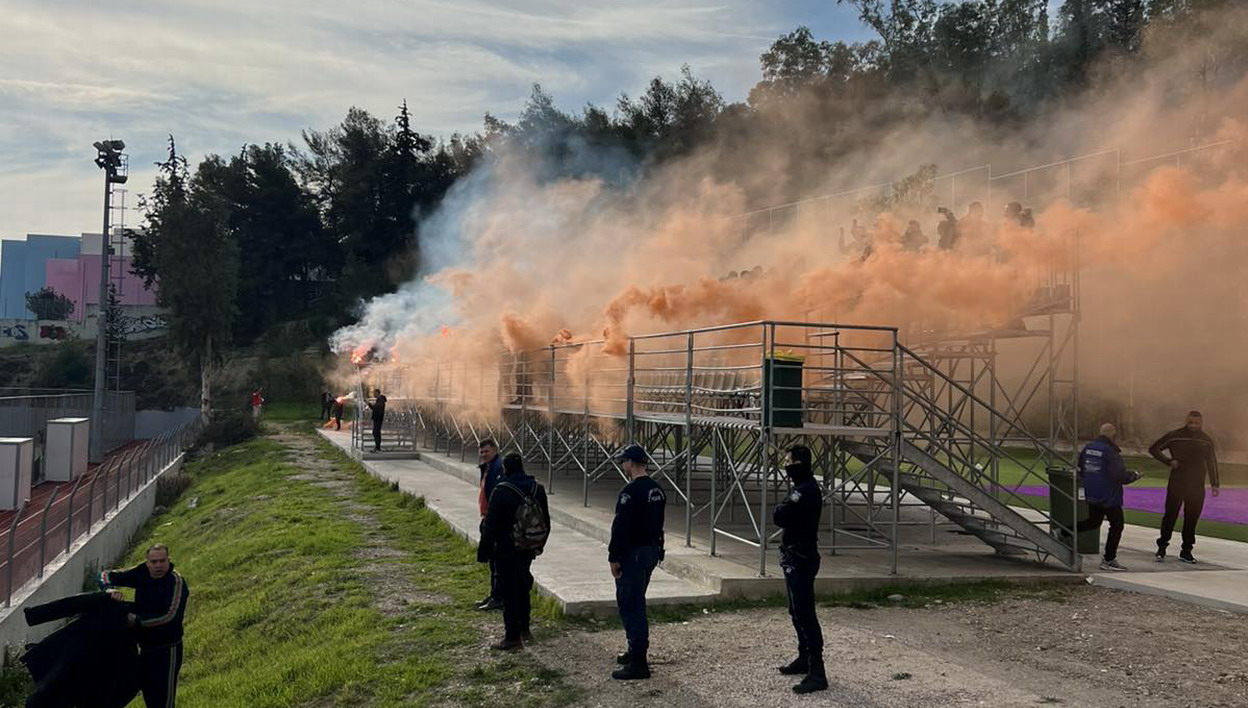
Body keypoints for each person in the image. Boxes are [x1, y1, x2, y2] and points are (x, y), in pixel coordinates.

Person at [99, 544, 189, 708]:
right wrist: (108, 590)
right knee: (145, 694)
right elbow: (105, 575)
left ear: (169, 560)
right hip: (143, 648)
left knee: (162, 701)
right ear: (147, 563)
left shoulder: (175, 582)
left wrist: (138, 621)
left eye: (162, 561)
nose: (158, 565)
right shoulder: (142, 573)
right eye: (154, 562)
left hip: (167, 650)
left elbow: (170, 616)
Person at [477, 453, 550, 651]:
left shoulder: (502, 490)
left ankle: (512, 637)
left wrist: (483, 552)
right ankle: (525, 628)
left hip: (506, 548)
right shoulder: (538, 488)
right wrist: (538, 544)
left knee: (509, 591)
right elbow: (546, 520)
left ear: (505, 469)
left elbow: (490, 524)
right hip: (527, 547)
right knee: (523, 585)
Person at [773, 445, 828, 694]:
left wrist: (783, 509)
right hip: (794, 555)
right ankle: (803, 657)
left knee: (806, 615)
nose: (786, 467)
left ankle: (817, 672)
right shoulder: (802, 488)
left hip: (801, 558)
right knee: (795, 611)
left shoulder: (805, 491)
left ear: (799, 465)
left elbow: (781, 514)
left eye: (789, 462)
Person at [609, 444, 666, 681]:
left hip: (633, 553)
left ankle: (639, 663)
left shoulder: (629, 493)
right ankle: (634, 650)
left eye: (624, 462)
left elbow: (620, 528)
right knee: (636, 599)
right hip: (651, 551)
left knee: (631, 606)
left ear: (631, 463)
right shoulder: (657, 490)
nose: (623, 466)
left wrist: (614, 556)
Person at [1149, 410, 1220, 563]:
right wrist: (1168, 461)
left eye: (1197, 423)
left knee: (1192, 518)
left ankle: (1186, 550)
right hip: (1177, 482)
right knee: (1170, 516)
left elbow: (1211, 462)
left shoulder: (1206, 440)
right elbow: (1154, 449)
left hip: (1196, 485)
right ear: (1186, 421)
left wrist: (1215, 484)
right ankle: (1162, 547)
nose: (1193, 426)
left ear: (1201, 423)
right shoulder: (1175, 435)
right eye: (1191, 423)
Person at [1076, 424, 1143, 571]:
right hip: (1109, 496)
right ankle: (1108, 559)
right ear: (1112, 435)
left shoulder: (1088, 448)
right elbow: (1119, 475)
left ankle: (1064, 531)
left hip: (1092, 493)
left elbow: (1081, 468)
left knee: (1093, 522)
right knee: (1117, 525)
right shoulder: (1110, 452)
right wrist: (1135, 475)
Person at [476, 439, 506, 611]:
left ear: (495, 450)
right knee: (492, 561)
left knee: (496, 561)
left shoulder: (497, 469)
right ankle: (494, 594)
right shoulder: (488, 468)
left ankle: (498, 596)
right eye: (481, 452)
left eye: (486, 451)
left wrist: (491, 519)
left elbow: (497, 496)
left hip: (493, 520)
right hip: (487, 517)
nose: (483, 455)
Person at [367, 388, 387, 453]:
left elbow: (375, 408)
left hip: (378, 419)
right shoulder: (380, 400)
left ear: (377, 393)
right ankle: (377, 447)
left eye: (374, 393)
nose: (373, 394)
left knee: (376, 433)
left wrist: (369, 404)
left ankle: (378, 448)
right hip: (377, 418)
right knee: (376, 433)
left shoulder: (380, 400)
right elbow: (375, 408)